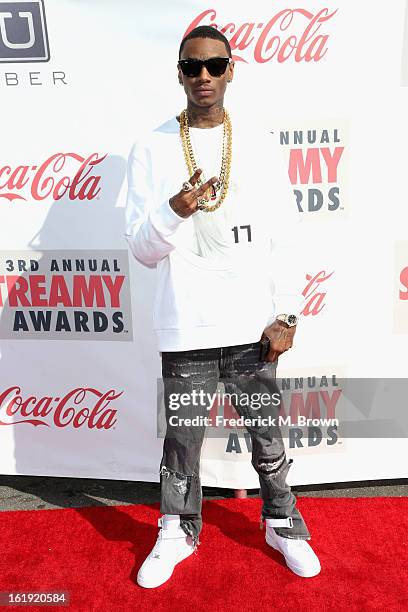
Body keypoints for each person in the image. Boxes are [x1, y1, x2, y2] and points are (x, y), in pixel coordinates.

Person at [125, 25, 321, 588]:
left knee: (266, 431)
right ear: (179, 73)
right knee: (182, 438)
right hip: (184, 321)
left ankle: (283, 523)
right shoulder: (151, 146)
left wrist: (287, 313)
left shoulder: (258, 142)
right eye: (192, 67)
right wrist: (173, 210)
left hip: (251, 322)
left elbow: (285, 236)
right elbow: (141, 249)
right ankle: (177, 528)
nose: (204, 77)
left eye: (214, 65)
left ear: (231, 69)